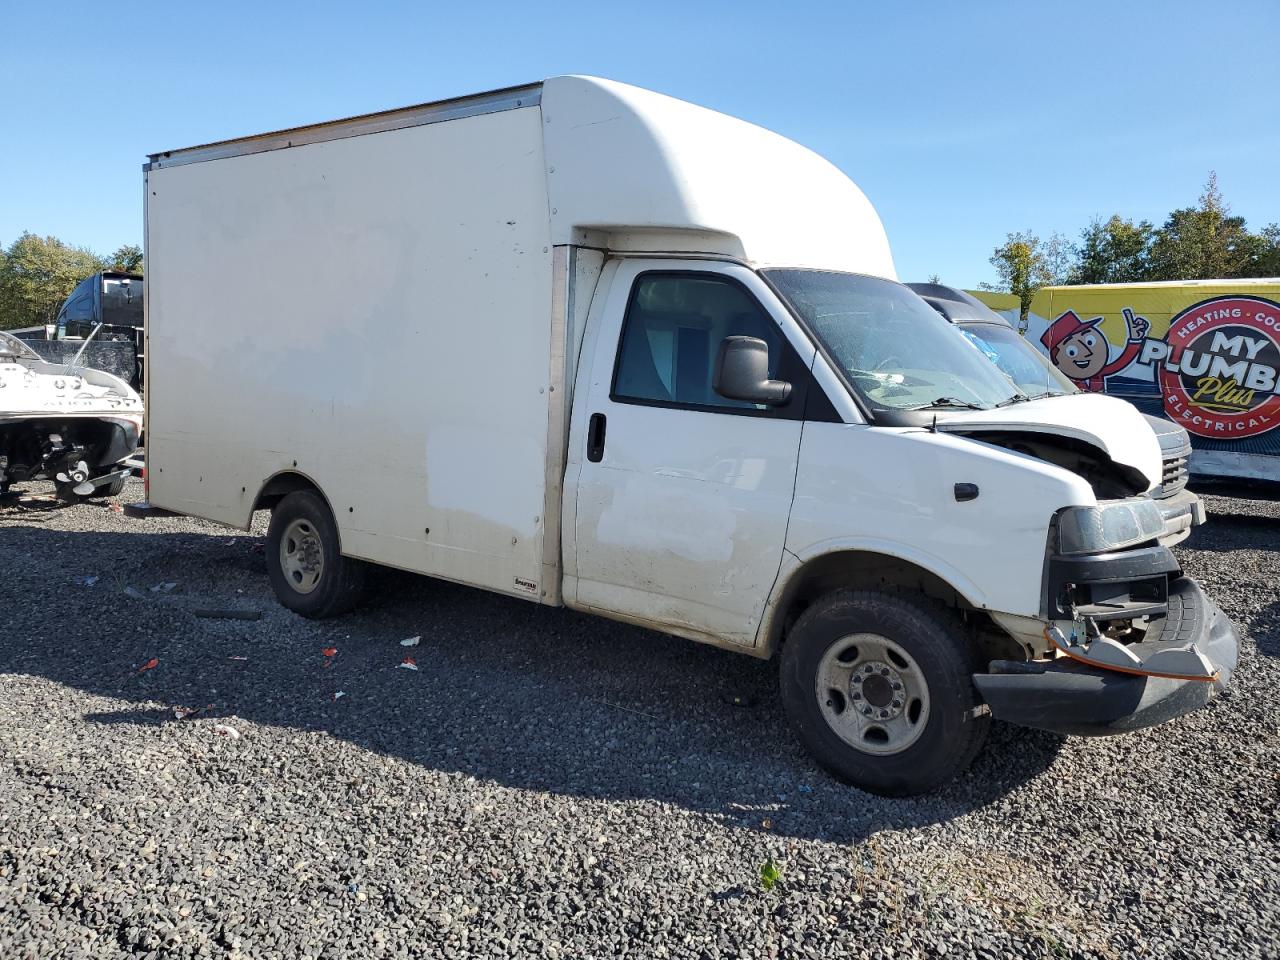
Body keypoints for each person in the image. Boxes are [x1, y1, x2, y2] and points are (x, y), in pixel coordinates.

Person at [1040, 307, 1149, 391]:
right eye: (1072, 351)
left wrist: (1134, 340)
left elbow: (1122, 362)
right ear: (1056, 359)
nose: (1087, 352)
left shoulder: (1098, 373)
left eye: (1090, 341)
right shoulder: (1061, 380)